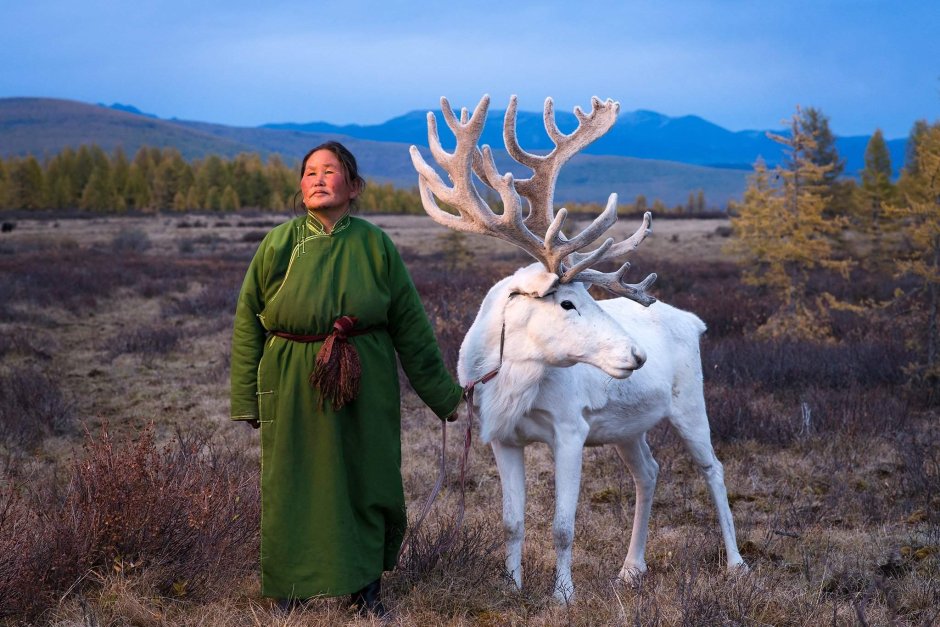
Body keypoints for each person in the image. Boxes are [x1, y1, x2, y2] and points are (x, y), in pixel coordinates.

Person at [230, 141, 462, 616]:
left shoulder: (375, 245)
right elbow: (248, 321)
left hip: (366, 379)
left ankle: (364, 592)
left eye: (329, 171)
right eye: (309, 172)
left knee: (368, 478)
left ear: (353, 186)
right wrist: (248, 399)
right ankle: (289, 590)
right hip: (293, 378)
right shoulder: (278, 243)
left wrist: (444, 395)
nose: (317, 179)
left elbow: (411, 326)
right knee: (293, 481)